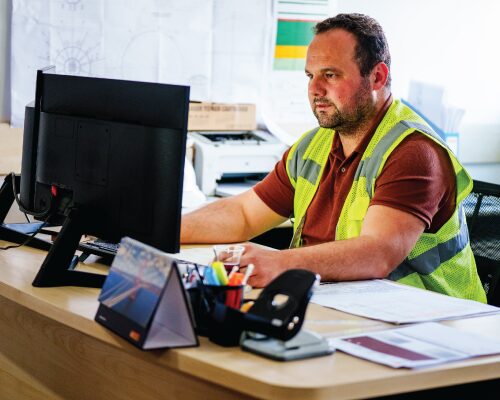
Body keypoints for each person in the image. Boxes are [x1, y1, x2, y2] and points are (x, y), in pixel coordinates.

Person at [181, 13, 486, 302]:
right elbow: (244, 215)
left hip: (436, 322)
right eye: (310, 76)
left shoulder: (413, 151)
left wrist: (280, 263)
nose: (315, 89)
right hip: (347, 305)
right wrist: (165, 229)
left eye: (330, 75)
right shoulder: (314, 145)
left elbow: (378, 253)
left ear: (377, 77)